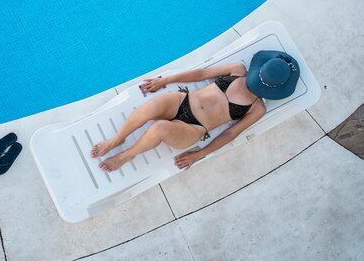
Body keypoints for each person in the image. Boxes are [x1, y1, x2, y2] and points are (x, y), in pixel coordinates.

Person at [91, 51, 300, 171]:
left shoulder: (257, 108)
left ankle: (127, 155)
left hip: (194, 128)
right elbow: (202, 73)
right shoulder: (237, 69)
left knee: (159, 128)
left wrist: (200, 154)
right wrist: (166, 80)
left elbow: (231, 133)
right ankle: (116, 140)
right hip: (183, 100)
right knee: (151, 107)